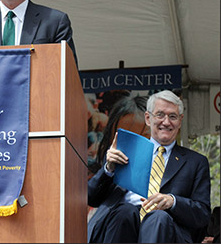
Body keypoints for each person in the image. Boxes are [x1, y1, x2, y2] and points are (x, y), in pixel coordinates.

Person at [88, 90, 211, 243]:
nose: (166, 122)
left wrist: (172, 201)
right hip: (122, 225)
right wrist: (109, 168)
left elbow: (203, 215)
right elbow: (90, 197)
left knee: (158, 217)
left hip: (166, 231)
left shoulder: (195, 162)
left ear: (180, 121)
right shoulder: (127, 151)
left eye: (172, 116)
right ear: (148, 118)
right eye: (160, 115)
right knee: (124, 211)